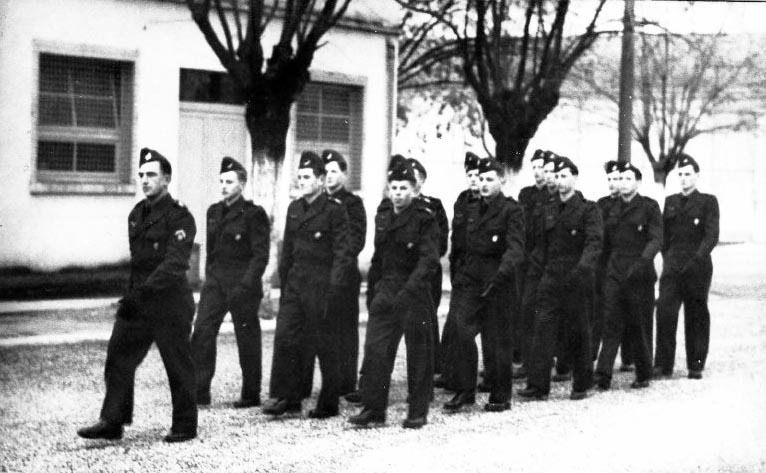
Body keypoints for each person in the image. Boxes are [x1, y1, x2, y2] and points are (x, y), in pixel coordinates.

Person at [77, 147, 198, 443]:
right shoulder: (136, 214)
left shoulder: (179, 216)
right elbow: (138, 263)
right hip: (140, 302)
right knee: (118, 355)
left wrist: (140, 293)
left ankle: (185, 425)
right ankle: (112, 421)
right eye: (141, 174)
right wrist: (131, 297)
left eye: (151, 175)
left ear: (166, 179)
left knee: (177, 364)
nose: (144, 180)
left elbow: (174, 264)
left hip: (170, 303)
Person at [348, 160, 440, 429]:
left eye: (403, 188)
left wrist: (409, 290)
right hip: (386, 291)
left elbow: (429, 260)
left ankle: (417, 412)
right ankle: (374, 409)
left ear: (413, 191)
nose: (398, 193)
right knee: (376, 351)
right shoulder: (384, 216)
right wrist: (373, 291)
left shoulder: (425, 218)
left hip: (415, 294)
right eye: (394, 188)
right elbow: (378, 258)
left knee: (419, 356)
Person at [262, 151, 351, 418]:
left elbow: (342, 253)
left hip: (322, 284)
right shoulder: (295, 208)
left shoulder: (334, 210)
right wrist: (285, 282)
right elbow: (287, 250)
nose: (301, 181)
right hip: (296, 283)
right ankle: (286, 397)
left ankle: (329, 402)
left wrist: (334, 289)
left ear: (321, 180)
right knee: (286, 337)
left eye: (307, 177)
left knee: (325, 343)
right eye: (299, 176)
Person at [443, 157, 525, 413]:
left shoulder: (512, 210)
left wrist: (500, 276)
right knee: (460, 331)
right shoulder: (471, 208)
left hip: (499, 282)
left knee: (497, 341)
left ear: (501, 181)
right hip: (470, 280)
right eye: (481, 179)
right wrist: (459, 276)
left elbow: (515, 249)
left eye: (490, 179)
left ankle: (500, 395)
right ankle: (465, 390)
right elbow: (461, 245)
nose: (484, 184)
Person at [519, 156, 602, 401]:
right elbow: (540, 246)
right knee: (542, 328)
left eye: (564, 175)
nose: (559, 180)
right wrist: (540, 272)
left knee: (579, 332)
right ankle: (537, 385)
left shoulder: (588, 209)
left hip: (577, 280)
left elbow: (594, 244)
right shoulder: (548, 209)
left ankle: (581, 384)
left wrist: (581, 271)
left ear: (575, 178)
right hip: (551, 280)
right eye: (556, 176)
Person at [190, 157, 270, 408]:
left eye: (229, 182)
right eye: (221, 181)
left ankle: (250, 394)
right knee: (202, 331)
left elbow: (260, 255)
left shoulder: (254, 214)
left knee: (247, 338)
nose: (223, 186)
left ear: (241, 185)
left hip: (242, 285)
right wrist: (209, 277)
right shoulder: (213, 212)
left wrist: (246, 286)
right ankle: (199, 391)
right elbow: (212, 250)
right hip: (216, 283)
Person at [302, 150, 366, 398]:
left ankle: (346, 382)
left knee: (345, 330)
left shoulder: (352, 203)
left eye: (333, 171)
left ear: (344, 174)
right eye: (325, 172)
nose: (328, 176)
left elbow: (356, 240)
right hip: (318, 276)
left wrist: (337, 262)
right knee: (315, 329)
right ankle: (310, 384)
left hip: (344, 276)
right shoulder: (317, 203)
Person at [594, 162, 662, 390]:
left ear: (638, 182)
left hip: (639, 273)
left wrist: (643, 261)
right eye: (620, 178)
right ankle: (603, 374)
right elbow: (603, 241)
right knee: (610, 322)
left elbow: (656, 239)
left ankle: (643, 373)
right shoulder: (610, 208)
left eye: (628, 179)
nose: (623, 183)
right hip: (615, 270)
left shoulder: (649, 207)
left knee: (639, 324)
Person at [654, 154, 719, 380]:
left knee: (696, 314)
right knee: (665, 312)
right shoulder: (670, 202)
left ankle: (696, 363)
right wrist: (669, 257)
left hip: (697, 267)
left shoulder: (708, 202)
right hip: (673, 267)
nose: (683, 178)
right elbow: (664, 235)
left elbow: (711, 235)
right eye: (680, 174)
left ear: (697, 176)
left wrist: (696, 259)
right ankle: (663, 364)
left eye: (688, 174)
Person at [436, 151, 482, 390]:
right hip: (461, 268)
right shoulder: (462, 200)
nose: (473, 179)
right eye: (470, 175)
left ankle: (468, 378)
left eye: (477, 175)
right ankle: (448, 372)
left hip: (479, 272)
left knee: (466, 325)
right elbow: (456, 237)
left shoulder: (486, 203)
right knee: (454, 323)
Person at [407, 158, 449, 380]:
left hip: (427, 273)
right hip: (402, 274)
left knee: (427, 319)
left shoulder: (433, 205)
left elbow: (441, 242)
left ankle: (432, 368)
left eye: (415, 177)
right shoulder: (395, 206)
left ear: (422, 180)